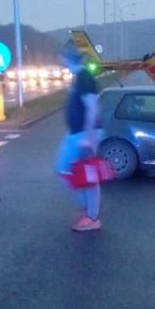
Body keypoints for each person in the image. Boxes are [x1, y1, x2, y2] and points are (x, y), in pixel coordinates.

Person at [55, 42, 102, 231]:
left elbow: (92, 108)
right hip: (76, 132)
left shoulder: (84, 78)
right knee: (76, 172)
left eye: (63, 57)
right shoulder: (78, 77)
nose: (61, 60)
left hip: (84, 133)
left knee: (75, 172)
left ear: (68, 58)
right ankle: (89, 210)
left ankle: (92, 216)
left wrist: (89, 138)